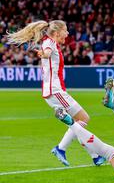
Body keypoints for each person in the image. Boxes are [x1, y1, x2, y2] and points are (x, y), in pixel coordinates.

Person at [6, 20, 106, 166]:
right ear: (57, 32)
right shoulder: (49, 44)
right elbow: (46, 52)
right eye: (65, 30)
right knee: (83, 119)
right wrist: (44, 54)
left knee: (77, 124)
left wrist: (44, 54)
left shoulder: (51, 42)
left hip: (54, 90)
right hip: (55, 90)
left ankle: (95, 157)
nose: (67, 33)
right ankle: (61, 148)